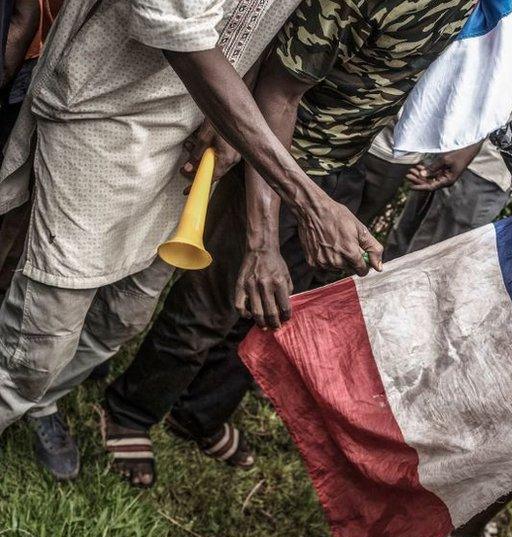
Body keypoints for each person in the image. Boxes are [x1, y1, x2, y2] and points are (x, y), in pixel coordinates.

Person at [100, 0, 491, 489]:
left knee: (276, 310)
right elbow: (277, 95)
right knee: (209, 306)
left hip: (342, 162)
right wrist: (262, 241)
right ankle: (131, 411)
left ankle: (196, 413)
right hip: (275, 161)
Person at [0, 0, 388, 482]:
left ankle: (42, 403)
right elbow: (175, 27)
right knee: (43, 335)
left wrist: (232, 114)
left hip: (195, 143)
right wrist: (308, 199)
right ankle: (23, 389)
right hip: (105, 112)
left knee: (125, 316)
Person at [382, 0, 512, 258]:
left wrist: (472, 139)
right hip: (398, 104)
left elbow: (503, 58)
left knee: (423, 254)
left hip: (469, 143)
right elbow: (473, 32)